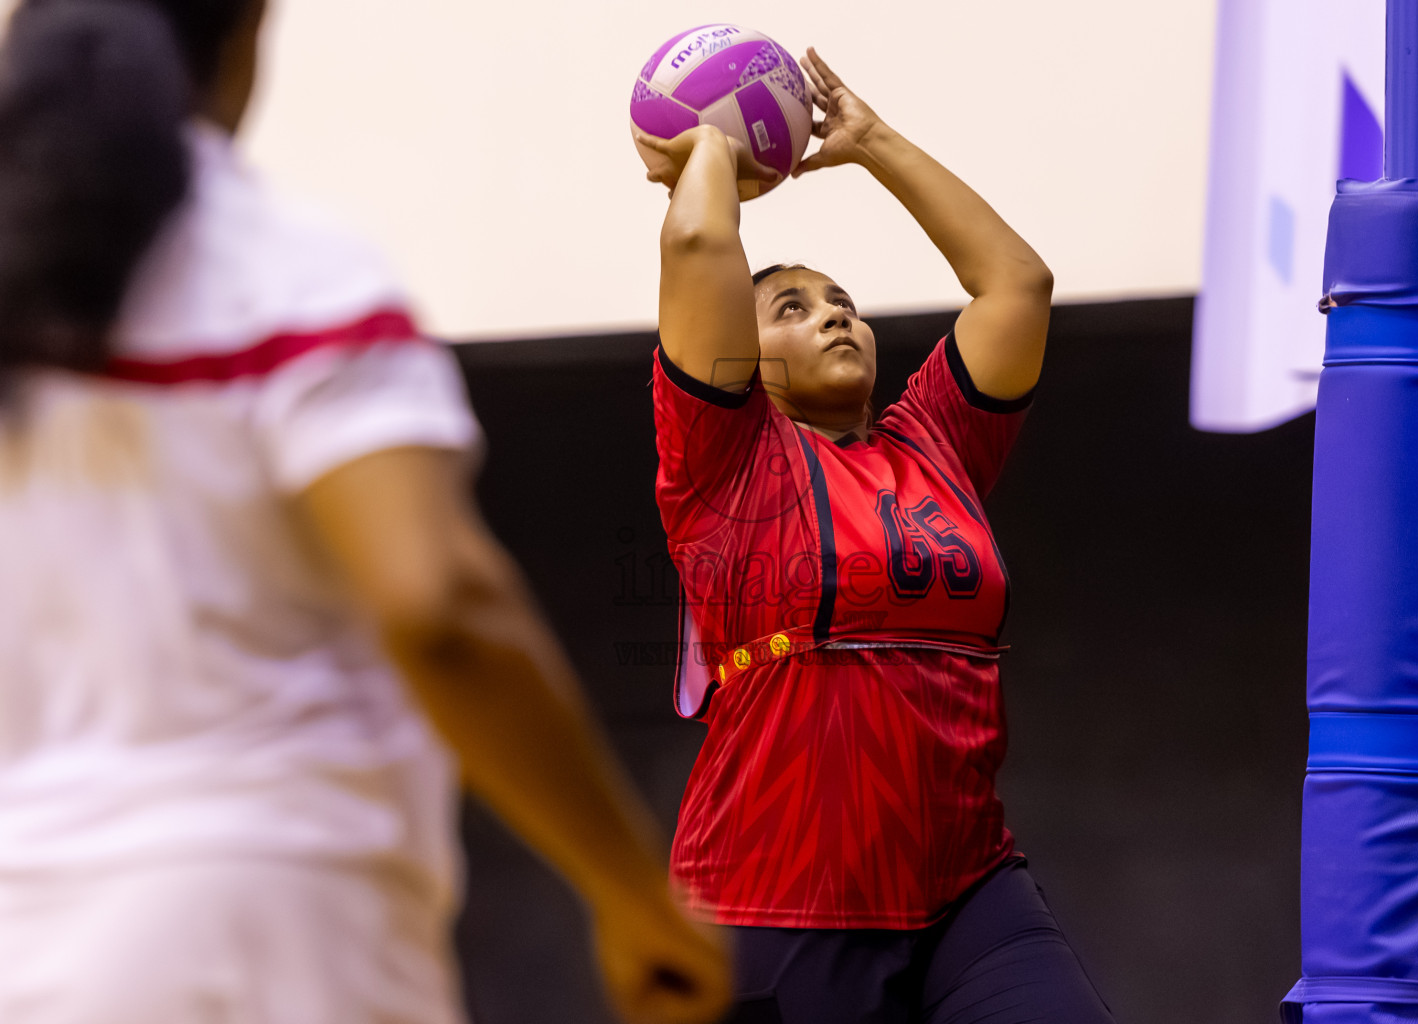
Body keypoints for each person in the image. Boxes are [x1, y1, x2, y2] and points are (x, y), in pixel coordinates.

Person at [0, 2, 730, 1023]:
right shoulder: (285, 266)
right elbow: (439, 604)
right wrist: (633, 892)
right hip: (285, 923)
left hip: (28, 943)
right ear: (251, 25)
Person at [636, 49, 1116, 1023]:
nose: (836, 315)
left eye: (844, 302)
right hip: (778, 894)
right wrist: (711, 151)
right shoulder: (726, 458)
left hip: (966, 882)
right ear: (746, 350)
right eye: (794, 307)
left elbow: (1017, 284)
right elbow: (695, 251)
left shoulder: (935, 438)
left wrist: (870, 143)